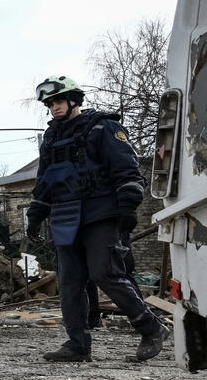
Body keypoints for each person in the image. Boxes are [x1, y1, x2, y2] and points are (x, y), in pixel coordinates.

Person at [26, 76, 168, 362]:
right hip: (65, 216)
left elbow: (127, 169)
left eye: (58, 101)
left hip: (101, 212)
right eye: (49, 104)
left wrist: (128, 206)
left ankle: (151, 328)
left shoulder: (103, 127)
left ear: (74, 99)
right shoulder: (51, 138)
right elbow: (45, 182)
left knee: (105, 272)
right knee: (69, 281)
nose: (54, 108)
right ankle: (77, 344)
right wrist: (35, 214)